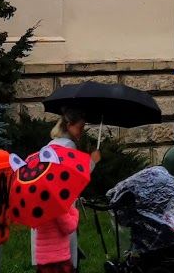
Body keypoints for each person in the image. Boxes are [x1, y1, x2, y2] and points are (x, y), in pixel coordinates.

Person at [43, 109, 99, 270]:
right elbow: (75, 177)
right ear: (69, 125)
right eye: (80, 127)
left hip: (45, 207)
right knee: (65, 250)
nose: (82, 131)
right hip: (62, 205)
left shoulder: (51, 145)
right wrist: (93, 161)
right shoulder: (68, 146)